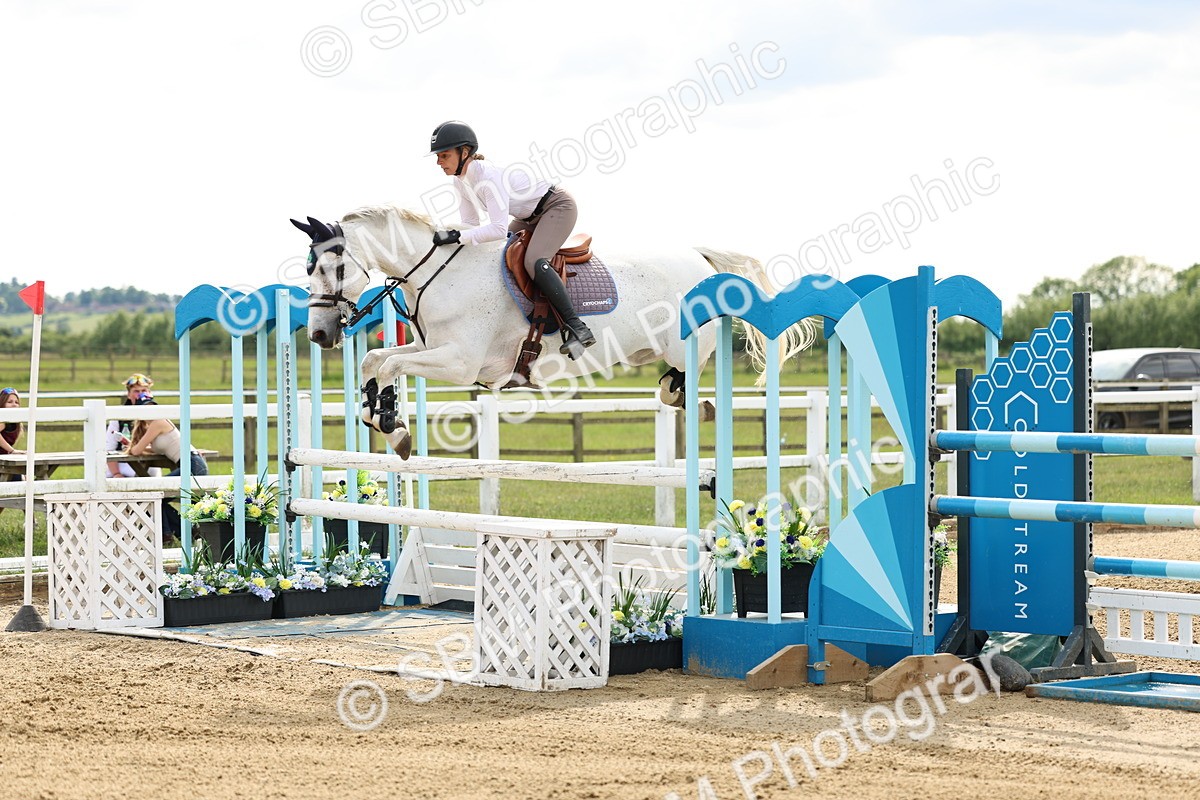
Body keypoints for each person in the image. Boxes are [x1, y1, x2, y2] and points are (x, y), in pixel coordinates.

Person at [427, 120, 596, 357]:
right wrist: (449, 236)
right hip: (528, 217)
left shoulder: (488, 178)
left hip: (557, 207)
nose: (438, 162)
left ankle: (577, 326)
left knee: (534, 260)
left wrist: (457, 236)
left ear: (464, 152)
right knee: (503, 254)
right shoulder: (460, 181)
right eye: (437, 156)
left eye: (444, 155)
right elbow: (471, 225)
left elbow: (496, 229)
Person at [127, 394, 209, 542]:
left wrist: (131, 446)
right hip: (189, 463)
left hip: (191, 464)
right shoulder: (154, 426)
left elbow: (136, 451)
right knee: (159, 497)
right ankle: (185, 533)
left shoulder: (158, 422)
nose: (151, 411)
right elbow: (155, 449)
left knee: (155, 495)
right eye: (146, 409)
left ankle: (169, 534)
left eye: (153, 408)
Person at [0, 388, 23, 456]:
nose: (14, 404)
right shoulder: (3, 421)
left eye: (16, 402)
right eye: (9, 402)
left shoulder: (14, 422)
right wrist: (12, 450)